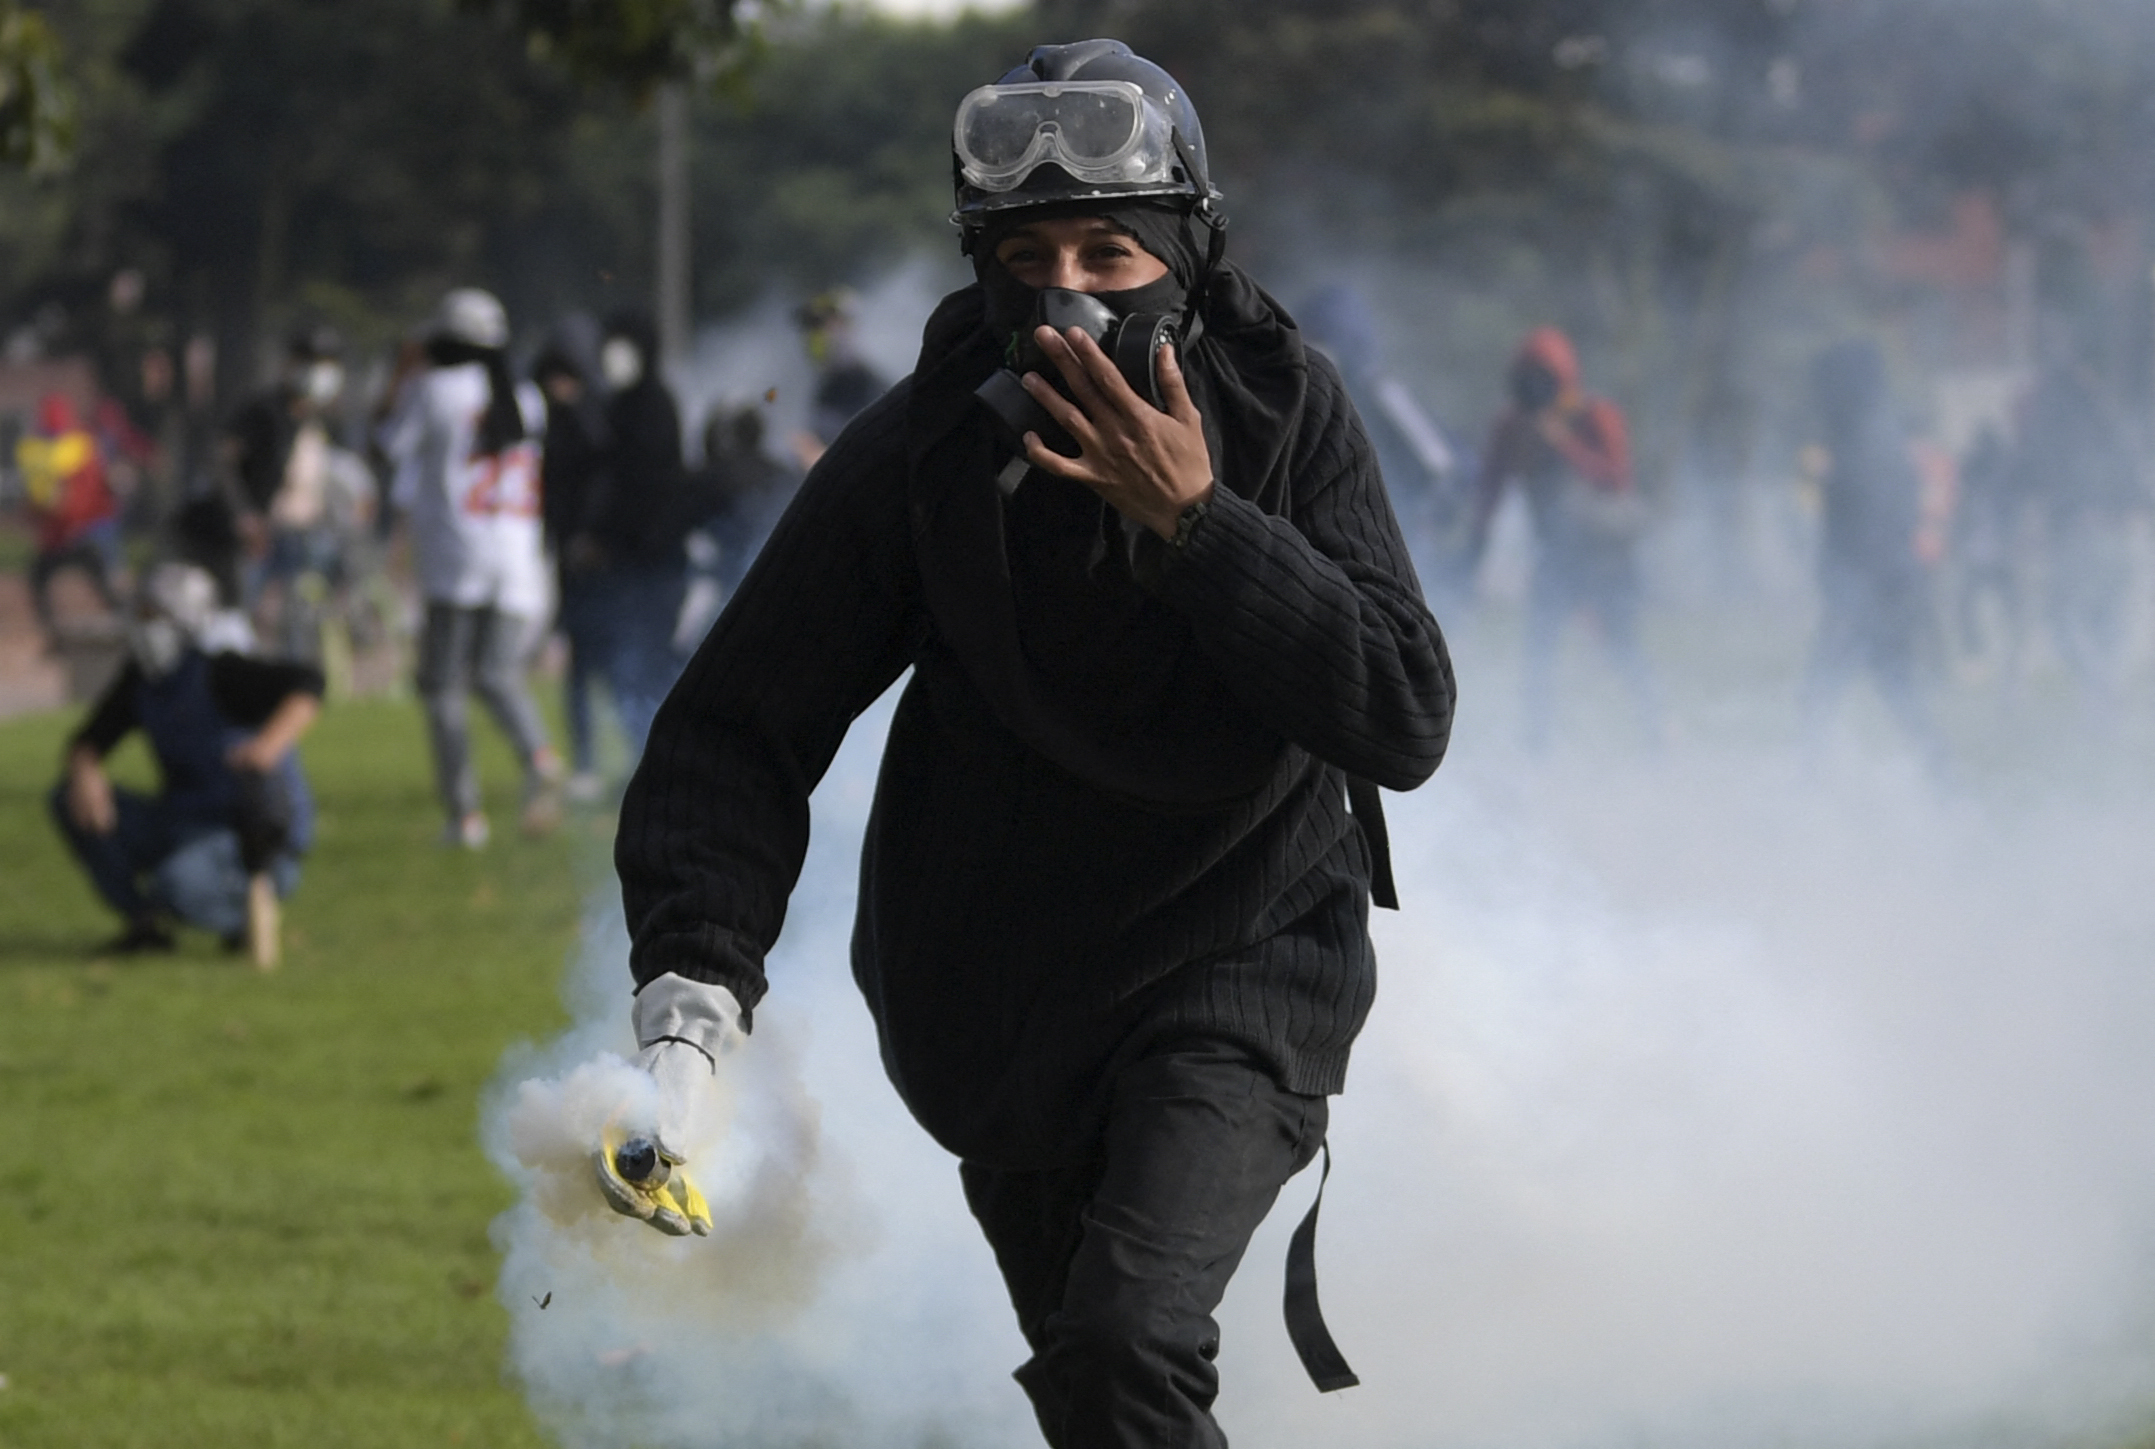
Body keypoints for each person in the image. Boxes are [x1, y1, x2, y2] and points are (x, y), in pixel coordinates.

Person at [601, 40, 1454, 1449]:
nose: (1065, 298)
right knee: (1086, 1378)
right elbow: (736, 732)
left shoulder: (1285, 410)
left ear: (1184, 258)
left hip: (1242, 959)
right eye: (1026, 253)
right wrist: (690, 1008)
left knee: (1126, 1341)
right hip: (999, 1000)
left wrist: (1198, 525)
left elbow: (1401, 712)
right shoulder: (922, 447)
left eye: (1110, 254)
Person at [49, 562, 320, 963]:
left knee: (176, 885)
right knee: (67, 798)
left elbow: (307, 685)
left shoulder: (222, 671)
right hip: (183, 821)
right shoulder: (143, 680)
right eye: (140, 614)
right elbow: (87, 741)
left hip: (248, 834)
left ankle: (245, 918)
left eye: (154, 615)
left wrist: (266, 747)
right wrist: (86, 773)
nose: (143, 627)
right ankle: (146, 926)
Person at [377, 288, 562, 848]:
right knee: (497, 674)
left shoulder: (432, 390)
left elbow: (388, 446)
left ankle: (464, 816)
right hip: (517, 560)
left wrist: (400, 378)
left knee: (443, 688)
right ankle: (540, 756)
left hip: (456, 559)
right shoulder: (527, 398)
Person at [1468, 325, 1658, 752]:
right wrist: (1475, 545)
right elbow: (1490, 487)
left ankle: (1657, 732)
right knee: (1540, 652)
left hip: (1603, 558)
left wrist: (1563, 443)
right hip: (1555, 557)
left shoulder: (1593, 415)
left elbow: (1617, 478)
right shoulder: (1511, 426)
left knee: (1623, 646)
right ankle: (1537, 746)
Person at [1799, 337, 1947, 771]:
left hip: (1871, 592)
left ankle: (1808, 788)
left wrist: (1849, 599)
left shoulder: (1864, 443)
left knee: (1820, 694)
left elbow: (1867, 533)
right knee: (1896, 690)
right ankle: (1945, 781)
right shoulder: (1876, 435)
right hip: (1887, 587)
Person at [533, 313, 614, 800]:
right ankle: (587, 758)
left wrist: (587, 533)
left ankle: (604, 756)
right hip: (572, 555)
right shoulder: (566, 419)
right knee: (584, 665)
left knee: (602, 662)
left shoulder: (590, 419)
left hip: (594, 559)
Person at [17, 392, 125, 635]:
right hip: (70, 534)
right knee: (45, 578)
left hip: (78, 532)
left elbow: (78, 497)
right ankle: (54, 632)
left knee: (102, 579)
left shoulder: (68, 449)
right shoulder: (77, 447)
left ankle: (124, 622)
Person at [789, 287, 889, 468]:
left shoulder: (835, 312)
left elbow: (850, 303)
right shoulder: (815, 338)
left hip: (855, 377)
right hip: (839, 382)